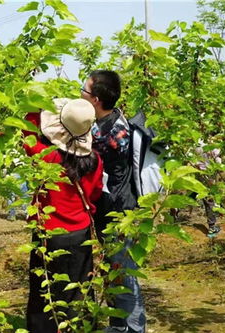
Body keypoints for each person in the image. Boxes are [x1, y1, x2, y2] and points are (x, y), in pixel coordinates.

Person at [23, 98, 103, 333]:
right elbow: (96, 193)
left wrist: (36, 105)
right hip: (81, 233)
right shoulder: (95, 160)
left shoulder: (47, 157)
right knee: (79, 289)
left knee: (44, 292)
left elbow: (26, 135)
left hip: (50, 234)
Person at [81, 70, 146, 333]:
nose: (80, 94)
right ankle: (118, 325)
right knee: (113, 268)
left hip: (120, 213)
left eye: (83, 90)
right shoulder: (112, 120)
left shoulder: (109, 136)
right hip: (111, 209)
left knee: (124, 272)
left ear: (95, 99)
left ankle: (133, 328)